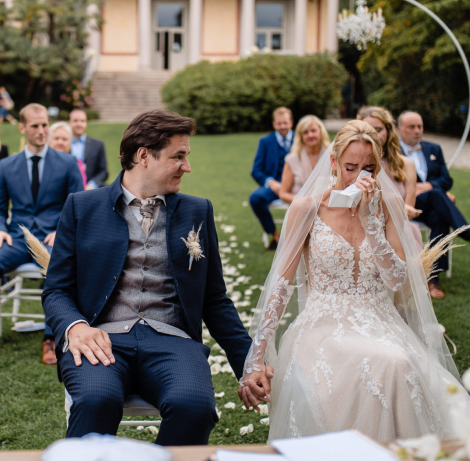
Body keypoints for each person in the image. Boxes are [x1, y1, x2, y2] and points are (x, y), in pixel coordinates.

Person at [237, 121, 470, 455]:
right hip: (322, 326)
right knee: (390, 365)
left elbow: (399, 281)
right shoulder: (307, 207)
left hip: (380, 320)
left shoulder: (388, 206)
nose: (358, 177)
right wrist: (256, 356)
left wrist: (371, 222)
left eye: (368, 168)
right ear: (334, 162)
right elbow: (280, 285)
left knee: (397, 363)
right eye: (350, 167)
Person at [42, 109, 255, 445]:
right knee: (97, 400)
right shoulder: (82, 207)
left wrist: (249, 363)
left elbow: (215, 299)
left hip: (173, 340)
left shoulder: (198, 210)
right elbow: (56, 290)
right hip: (102, 339)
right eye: (179, 156)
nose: (187, 166)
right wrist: (76, 327)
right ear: (143, 155)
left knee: (196, 406)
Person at [0, 104, 83, 365]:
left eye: (45, 125)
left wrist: (61, 231)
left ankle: (51, 339)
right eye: (36, 126)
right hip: (17, 239)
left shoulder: (68, 163)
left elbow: (79, 208)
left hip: (53, 240)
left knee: (58, 266)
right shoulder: (7, 165)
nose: (42, 131)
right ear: (22, 128)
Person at [397, 111, 470, 299]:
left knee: (439, 215)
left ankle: (432, 278)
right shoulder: (393, 150)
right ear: (399, 129)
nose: (417, 131)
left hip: (431, 206)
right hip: (408, 205)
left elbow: (446, 179)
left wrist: (427, 186)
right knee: (438, 196)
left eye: (420, 127)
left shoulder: (433, 149)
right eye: (411, 127)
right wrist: (420, 188)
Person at [358, 106, 422, 249]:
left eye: (378, 130)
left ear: (388, 131)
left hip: (400, 226)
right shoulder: (355, 166)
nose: (373, 135)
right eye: (367, 130)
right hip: (363, 228)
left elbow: (409, 211)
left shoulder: (406, 164)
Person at [250, 107, 295, 250]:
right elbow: (256, 170)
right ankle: (276, 236)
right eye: (279, 123)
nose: (283, 126)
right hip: (273, 185)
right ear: (274, 124)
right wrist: (271, 183)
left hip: (296, 185)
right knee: (255, 198)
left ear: (291, 123)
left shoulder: (300, 139)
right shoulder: (265, 141)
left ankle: (299, 238)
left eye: (285, 123)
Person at [278, 115, 330, 204]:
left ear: (321, 132)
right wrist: (302, 200)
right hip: (301, 209)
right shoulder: (292, 159)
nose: (310, 135)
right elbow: (283, 194)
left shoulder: (332, 156)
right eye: (305, 132)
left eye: (313, 131)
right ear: (301, 136)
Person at [68, 109, 108, 189]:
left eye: (82, 121)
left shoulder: (97, 145)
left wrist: (92, 185)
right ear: (69, 122)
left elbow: (103, 172)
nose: (79, 124)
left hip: (89, 190)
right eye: (75, 121)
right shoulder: (63, 144)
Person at [49, 121, 87, 187]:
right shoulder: (42, 163)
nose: (60, 142)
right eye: (56, 138)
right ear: (49, 141)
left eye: (64, 139)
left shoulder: (78, 164)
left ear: (70, 143)